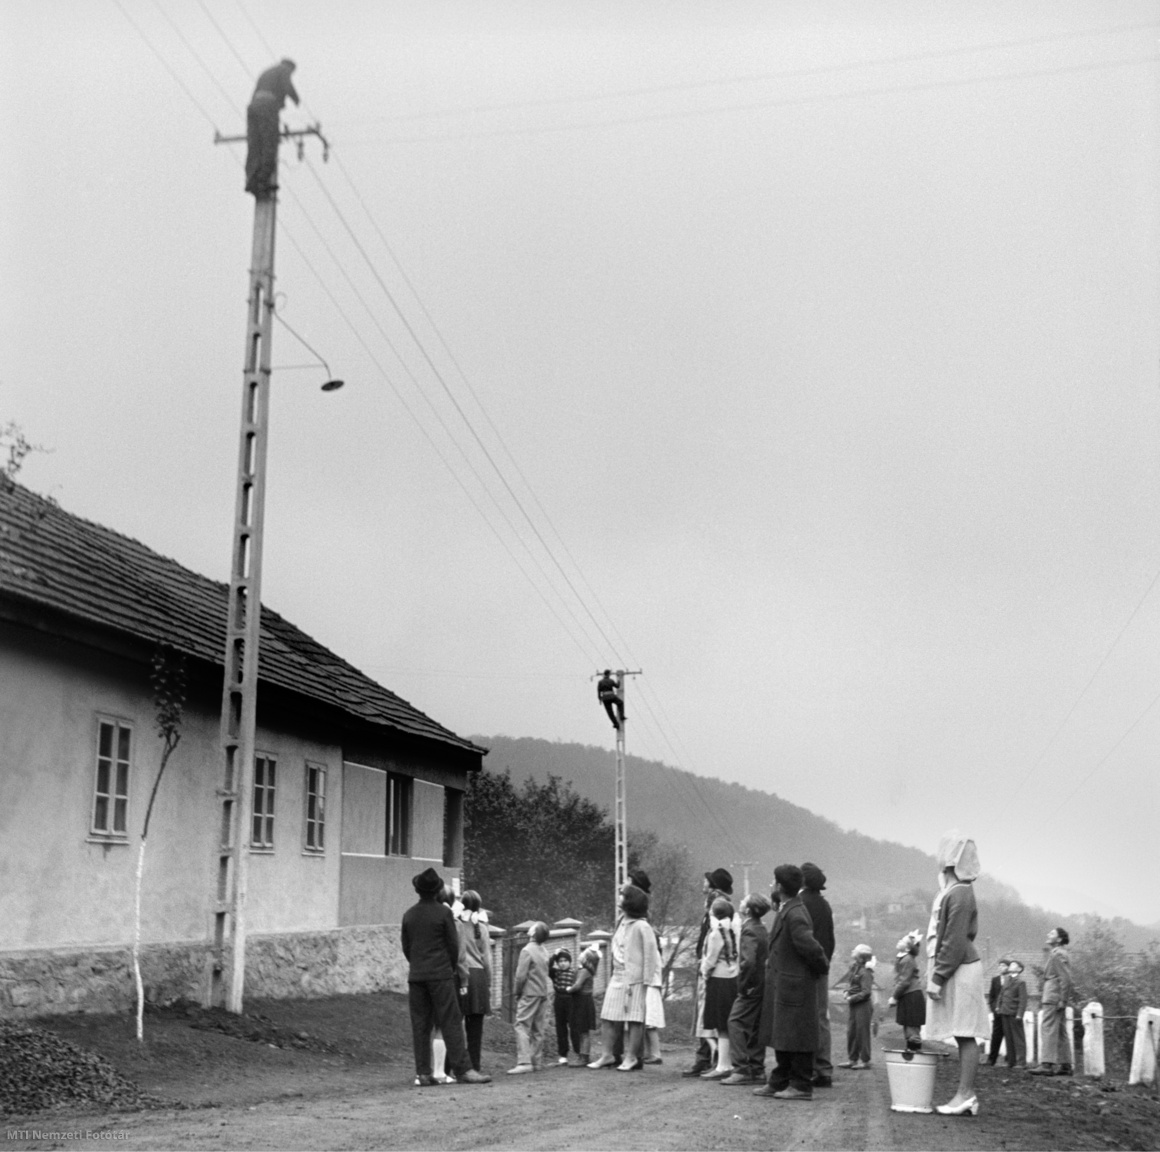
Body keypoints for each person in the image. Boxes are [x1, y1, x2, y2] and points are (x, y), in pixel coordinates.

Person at [400, 867, 490, 1085]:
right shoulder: (444, 913)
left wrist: (418, 964)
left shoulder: (409, 914)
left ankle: (423, 1072)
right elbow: (453, 945)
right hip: (441, 974)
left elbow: (406, 947)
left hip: (417, 975)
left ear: (418, 891)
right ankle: (463, 1070)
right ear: (437, 890)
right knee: (450, 1021)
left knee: (421, 1024)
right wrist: (448, 967)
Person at [924, 831, 991, 1116]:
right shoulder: (954, 890)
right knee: (962, 1032)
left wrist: (938, 977)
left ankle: (966, 1094)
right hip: (958, 966)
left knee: (965, 1032)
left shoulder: (961, 892)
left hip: (961, 968)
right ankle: (965, 1094)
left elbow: (954, 940)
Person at [754, 864, 830, 1101]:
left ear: (779, 886)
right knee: (784, 1035)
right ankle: (780, 1080)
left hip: (796, 985)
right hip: (786, 984)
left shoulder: (795, 912)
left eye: (773, 882)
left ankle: (800, 1085)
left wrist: (821, 969)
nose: (771, 885)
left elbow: (810, 946)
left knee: (797, 1036)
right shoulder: (789, 908)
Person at [591, 884, 665, 1071]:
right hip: (617, 976)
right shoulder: (620, 921)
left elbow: (651, 955)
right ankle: (607, 1055)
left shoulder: (642, 926)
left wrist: (647, 981)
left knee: (634, 1018)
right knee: (608, 1016)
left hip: (635, 979)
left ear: (630, 901)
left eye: (622, 895)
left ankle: (632, 1057)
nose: (618, 898)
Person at [684, 868, 734, 1076]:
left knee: (708, 1013)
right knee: (706, 1013)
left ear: (713, 886)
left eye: (706, 881)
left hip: (712, 968)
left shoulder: (716, 907)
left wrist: (704, 964)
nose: (703, 885)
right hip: (709, 965)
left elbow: (712, 940)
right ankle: (707, 1056)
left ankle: (707, 1057)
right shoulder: (716, 906)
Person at [721, 892, 771, 1085]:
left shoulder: (749, 929)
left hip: (751, 987)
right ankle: (757, 1070)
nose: (740, 903)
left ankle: (741, 1069)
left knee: (735, 1022)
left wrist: (743, 985)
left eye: (743, 901)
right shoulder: (762, 928)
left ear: (748, 910)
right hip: (763, 985)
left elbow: (748, 962)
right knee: (756, 1026)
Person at [800, 862, 836, 1086]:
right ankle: (823, 1068)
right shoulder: (824, 905)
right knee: (821, 1018)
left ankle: (806, 1067)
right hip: (822, 966)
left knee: (803, 1018)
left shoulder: (800, 904)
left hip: (804, 968)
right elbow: (830, 940)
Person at [244, 59, 299, 197]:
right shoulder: (284, 70)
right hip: (267, 106)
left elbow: (260, 93)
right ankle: (263, 181)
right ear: (290, 68)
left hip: (253, 107)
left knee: (255, 145)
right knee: (269, 143)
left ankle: (251, 180)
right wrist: (295, 98)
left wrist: (279, 103)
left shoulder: (267, 72)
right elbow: (287, 86)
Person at [700, 898, 741, 1079]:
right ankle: (728, 1062)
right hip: (732, 977)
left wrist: (704, 972)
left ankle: (723, 1065)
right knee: (728, 1022)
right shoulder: (734, 928)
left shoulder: (716, 932)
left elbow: (710, 959)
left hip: (718, 978)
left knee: (721, 1024)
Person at [454, 889, 492, 1075]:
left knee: (455, 1024)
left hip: (460, 975)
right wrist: (489, 982)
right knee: (475, 1028)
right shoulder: (482, 929)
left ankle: (451, 1065)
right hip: (478, 978)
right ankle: (474, 1066)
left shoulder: (456, 925)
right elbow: (487, 960)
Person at [508, 921, 551, 1074]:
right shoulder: (544, 951)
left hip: (529, 993)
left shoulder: (526, 951)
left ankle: (524, 1062)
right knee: (538, 1028)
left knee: (521, 1026)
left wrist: (517, 992)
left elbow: (520, 976)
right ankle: (536, 1061)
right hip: (543, 993)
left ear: (533, 934)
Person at [1030, 928, 1073, 1076]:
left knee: (1048, 1028)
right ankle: (1066, 1065)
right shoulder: (1058, 953)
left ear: (1059, 939)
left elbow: (1066, 978)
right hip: (1056, 996)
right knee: (1060, 1031)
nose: (1048, 934)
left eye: (1052, 933)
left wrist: (1063, 999)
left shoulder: (1058, 954)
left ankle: (1047, 1064)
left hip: (1052, 996)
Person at [888, 930, 926, 1052]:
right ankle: (912, 1053)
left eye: (903, 941)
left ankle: (915, 1054)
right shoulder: (905, 959)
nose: (900, 941)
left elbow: (904, 981)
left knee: (912, 1027)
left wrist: (894, 996)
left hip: (911, 996)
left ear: (909, 947)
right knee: (908, 1026)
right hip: (908, 995)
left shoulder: (907, 959)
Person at [838, 945, 874, 1069]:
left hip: (863, 1005)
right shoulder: (854, 968)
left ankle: (865, 1061)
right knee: (852, 1032)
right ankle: (852, 1059)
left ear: (860, 957)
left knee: (862, 1033)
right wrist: (846, 991)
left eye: (855, 950)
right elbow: (850, 983)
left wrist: (851, 997)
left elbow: (866, 992)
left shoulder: (866, 972)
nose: (852, 951)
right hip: (854, 1004)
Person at [568, 947, 600, 1066]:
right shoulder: (586, 971)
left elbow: (577, 986)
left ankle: (584, 1057)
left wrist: (568, 990)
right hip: (583, 1001)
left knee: (583, 1031)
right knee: (582, 1031)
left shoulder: (585, 971)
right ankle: (583, 1056)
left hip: (582, 1002)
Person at [996, 959, 1028, 1069]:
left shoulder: (1020, 982)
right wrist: (998, 1006)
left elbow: (1023, 1000)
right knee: (1008, 1037)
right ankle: (1011, 1061)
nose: (1011, 966)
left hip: (1014, 1013)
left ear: (1019, 969)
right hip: (1005, 1011)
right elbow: (1001, 994)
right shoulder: (1006, 980)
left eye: (1014, 964)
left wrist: (1020, 1014)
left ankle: (1021, 1062)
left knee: (1018, 1038)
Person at [549, 948, 577, 1065]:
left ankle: (578, 1052)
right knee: (560, 1028)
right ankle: (563, 1054)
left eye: (565, 960)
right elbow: (547, 966)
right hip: (559, 1000)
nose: (563, 963)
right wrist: (554, 955)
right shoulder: (555, 972)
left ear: (570, 962)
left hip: (571, 1001)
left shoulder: (574, 973)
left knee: (574, 1027)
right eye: (560, 961)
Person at [985, 959, 1010, 1065]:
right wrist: (993, 1008)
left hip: (1009, 1012)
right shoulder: (995, 980)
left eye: (1004, 965)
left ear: (1008, 967)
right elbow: (992, 996)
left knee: (1010, 1036)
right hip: (997, 1013)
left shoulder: (1012, 979)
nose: (1001, 967)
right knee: (996, 1036)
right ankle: (992, 1059)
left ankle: (1010, 1060)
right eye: (1000, 965)